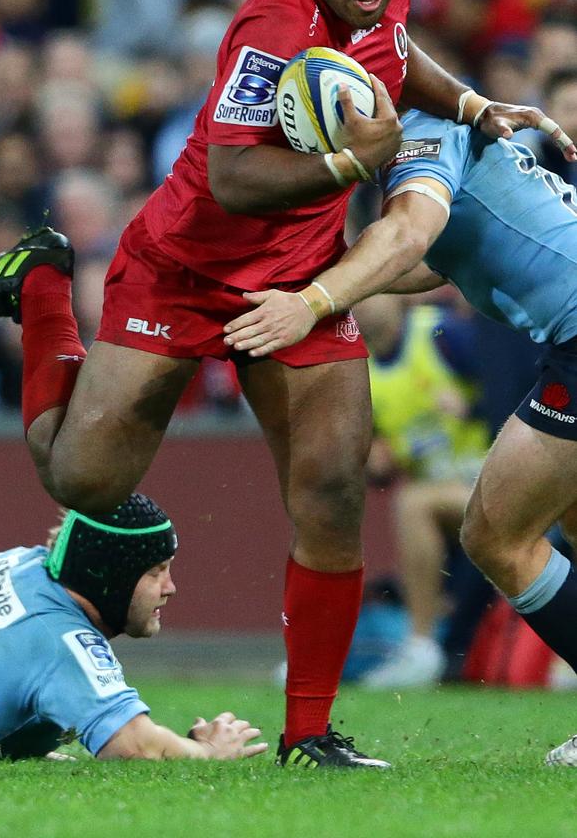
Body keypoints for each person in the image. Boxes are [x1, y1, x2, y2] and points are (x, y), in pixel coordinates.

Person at [0, 0, 573, 770]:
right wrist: (355, 167)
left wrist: (467, 102)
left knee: (335, 493)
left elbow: (395, 49)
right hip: (184, 272)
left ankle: (308, 736)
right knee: (83, 481)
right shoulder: (272, 26)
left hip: (300, 276)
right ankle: (40, 285)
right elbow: (234, 178)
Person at [222, 107, 577, 764]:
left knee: (497, 535)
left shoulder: (420, 134)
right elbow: (435, 259)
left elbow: (411, 239)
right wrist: (328, 275)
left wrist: (310, 301)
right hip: (567, 332)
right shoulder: (434, 135)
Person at [0, 492, 267, 762]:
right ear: (109, 577)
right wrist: (209, 752)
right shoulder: (59, 641)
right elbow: (136, 746)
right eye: (155, 571)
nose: (170, 588)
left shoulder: (6, 563)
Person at [352, 295, 489, 688]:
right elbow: (377, 465)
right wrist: (374, 462)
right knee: (414, 500)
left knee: (413, 503)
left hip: (495, 478)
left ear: (398, 294)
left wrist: (474, 407)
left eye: (374, 289)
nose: (366, 302)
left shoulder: (442, 332)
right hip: (448, 505)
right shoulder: (359, 372)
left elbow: (514, 386)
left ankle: (421, 645)